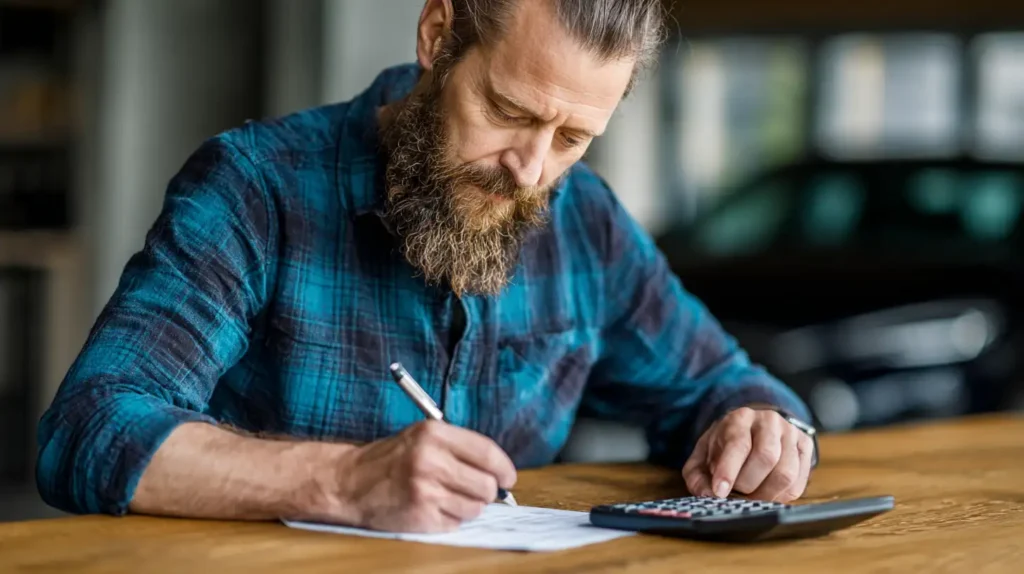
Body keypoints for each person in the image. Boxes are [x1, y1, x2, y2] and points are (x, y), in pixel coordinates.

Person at [36, 0, 818, 533]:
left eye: (572, 138)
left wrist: (763, 429)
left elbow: (723, 383)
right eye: (508, 112)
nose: (530, 170)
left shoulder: (587, 223)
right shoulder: (257, 189)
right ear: (438, 35)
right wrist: (345, 482)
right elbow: (89, 427)